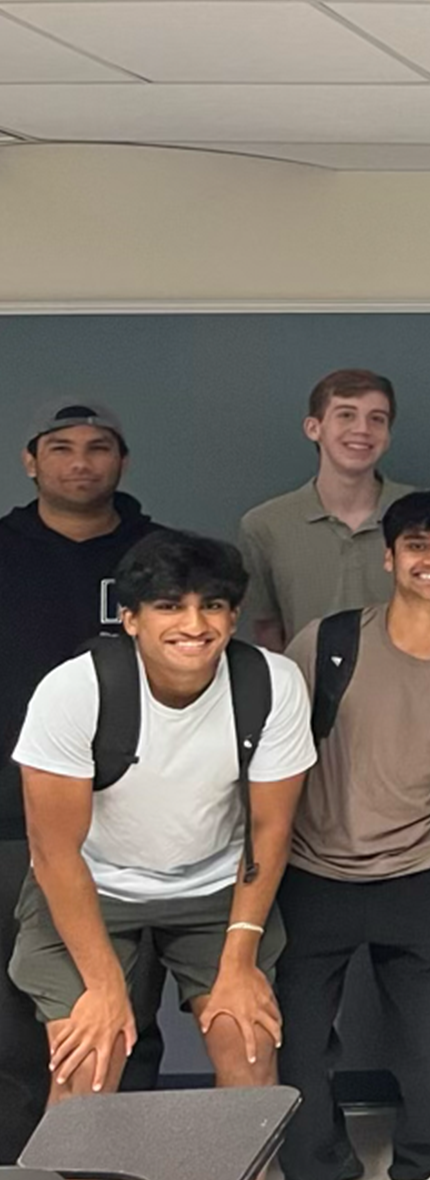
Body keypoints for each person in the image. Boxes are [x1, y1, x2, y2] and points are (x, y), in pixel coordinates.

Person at [9, 531, 314, 1103]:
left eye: (213, 606)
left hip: (215, 886)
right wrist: (102, 986)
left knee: (249, 1051)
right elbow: (54, 852)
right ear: (130, 619)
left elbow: (271, 832)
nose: (194, 625)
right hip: (92, 884)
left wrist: (240, 958)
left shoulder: (272, 684)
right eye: (170, 606)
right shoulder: (75, 690)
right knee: (88, 1064)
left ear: (234, 615)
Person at [276, 491, 430, 1180]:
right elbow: (273, 764)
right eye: (418, 545)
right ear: (389, 557)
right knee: (297, 1043)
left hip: (420, 878)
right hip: (310, 873)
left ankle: (426, 1162)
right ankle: (317, 1164)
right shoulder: (325, 645)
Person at [1, 402, 164, 1158]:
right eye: (60, 448)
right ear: (31, 461)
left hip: (132, 829)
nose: (80, 461)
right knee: (15, 1022)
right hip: (9, 826)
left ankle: (120, 1163)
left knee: (126, 1016)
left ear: (122, 461)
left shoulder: (160, 558)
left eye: (99, 446)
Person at [239, 370, 415, 652]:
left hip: (411, 692)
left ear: (388, 435)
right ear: (313, 428)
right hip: (307, 691)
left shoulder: (427, 518)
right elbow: (265, 626)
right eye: (346, 414)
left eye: (377, 419)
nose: (362, 429)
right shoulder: (264, 525)